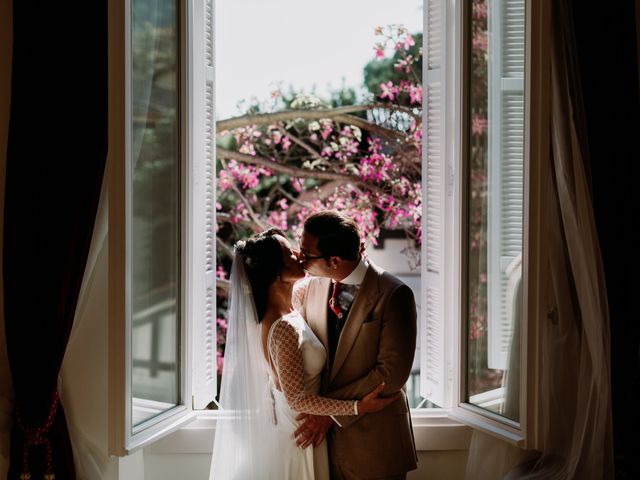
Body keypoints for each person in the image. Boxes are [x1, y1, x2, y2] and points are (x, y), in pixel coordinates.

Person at [209, 228, 398, 480]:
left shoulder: (291, 304)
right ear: (276, 271)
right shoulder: (283, 326)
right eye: (289, 253)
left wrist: (353, 257)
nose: (299, 255)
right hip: (297, 434)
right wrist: (357, 406)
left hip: (297, 427)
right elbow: (297, 398)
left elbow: (324, 278)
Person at [294, 211, 418, 479]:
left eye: (306, 253)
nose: (300, 258)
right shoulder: (311, 287)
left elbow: (391, 374)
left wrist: (330, 412)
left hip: (374, 446)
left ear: (335, 260)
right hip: (321, 450)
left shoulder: (394, 294)